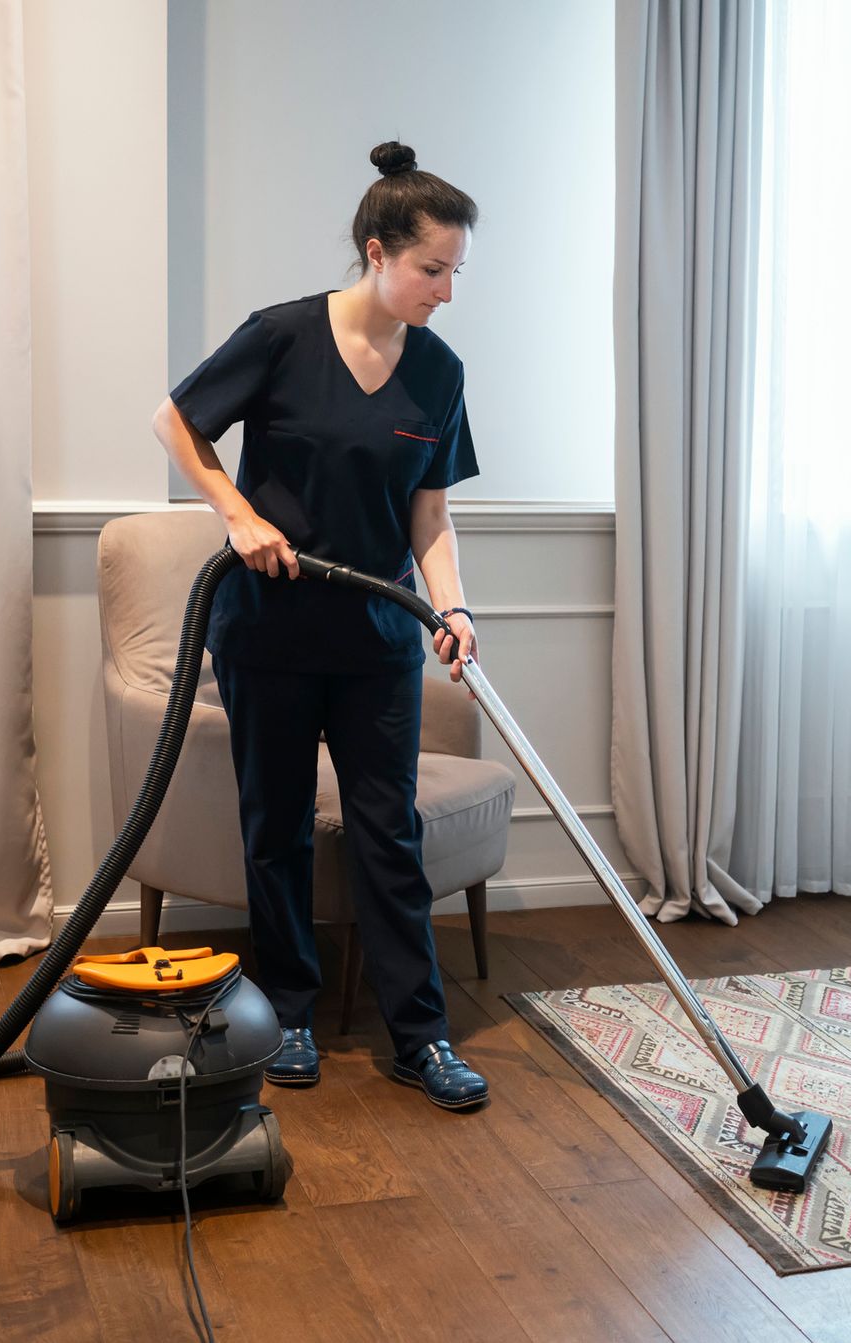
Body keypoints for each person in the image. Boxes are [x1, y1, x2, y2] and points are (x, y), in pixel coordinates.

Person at [151, 141, 488, 1108]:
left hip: (378, 638)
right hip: (271, 628)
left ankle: (418, 1033)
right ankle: (288, 1009)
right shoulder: (282, 336)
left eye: (456, 271)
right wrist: (238, 514)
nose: (445, 290)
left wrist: (452, 606)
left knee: (391, 832)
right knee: (279, 825)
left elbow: (431, 515)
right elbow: (178, 419)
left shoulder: (439, 371)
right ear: (378, 252)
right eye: (433, 269)